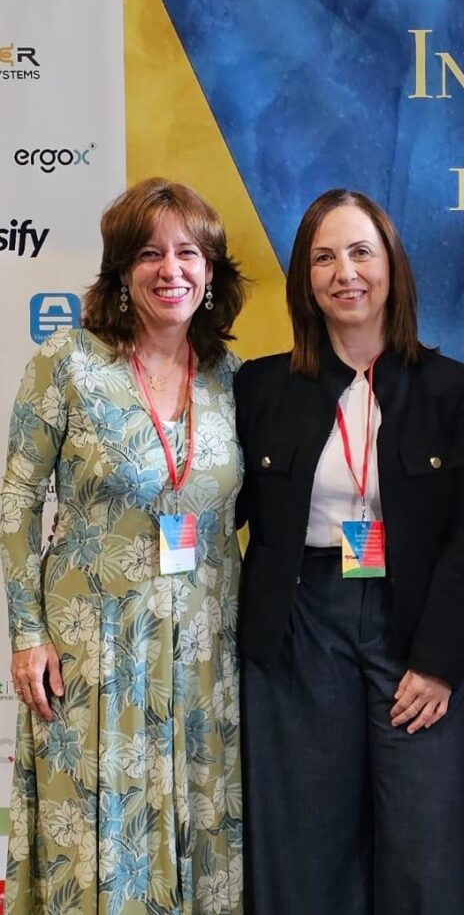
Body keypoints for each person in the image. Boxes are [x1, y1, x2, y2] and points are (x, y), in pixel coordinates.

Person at [234, 188, 464, 915]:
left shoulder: (454, 389)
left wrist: (439, 663)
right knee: (304, 844)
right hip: (297, 625)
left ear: (392, 268)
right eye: (323, 257)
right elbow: (210, 506)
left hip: (415, 625)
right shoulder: (260, 387)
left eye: (360, 252)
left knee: (421, 848)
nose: (344, 272)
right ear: (304, 279)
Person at [0, 178, 248, 915]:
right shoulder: (69, 361)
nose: (170, 269)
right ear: (119, 271)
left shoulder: (228, 377)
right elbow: (16, 500)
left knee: (197, 835)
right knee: (103, 840)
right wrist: (27, 632)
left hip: (202, 655)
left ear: (210, 272)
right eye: (148, 253)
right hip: (95, 651)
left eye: (187, 253)